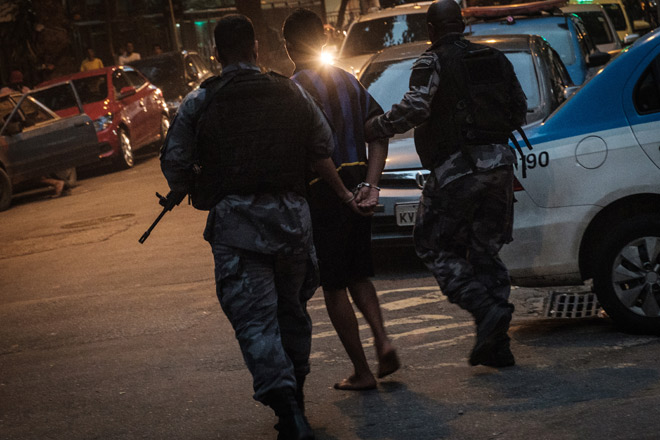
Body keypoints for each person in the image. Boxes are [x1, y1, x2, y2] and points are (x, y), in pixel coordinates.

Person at [160, 14, 362, 440]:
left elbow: (174, 163)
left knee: (256, 320)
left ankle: (288, 408)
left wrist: (195, 182)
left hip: (239, 226)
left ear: (216, 55)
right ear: (256, 49)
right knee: (292, 311)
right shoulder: (289, 91)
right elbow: (322, 143)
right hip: (292, 220)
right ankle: (297, 398)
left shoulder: (201, 101)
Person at [364, 0, 528, 368]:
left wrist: (377, 127)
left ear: (432, 30)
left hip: (456, 171)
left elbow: (416, 108)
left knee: (432, 245)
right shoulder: (495, 60)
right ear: (463, 26)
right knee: (486, 251)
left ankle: (485, 310)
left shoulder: (431, 61)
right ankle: (496, 344)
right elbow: (519, 109)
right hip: (500, 168)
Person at [282, 9, 399, 392]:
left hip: (325, 192)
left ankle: (363, 371)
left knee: (334, 286)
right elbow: (378, 132)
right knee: (359, 275)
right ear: (324, 39)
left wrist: (343, 194)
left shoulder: (293, 89)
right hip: (357, 185)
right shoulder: (348, 80)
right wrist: (371, 184)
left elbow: (317, 153)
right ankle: (383, 340)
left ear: (288, 47)